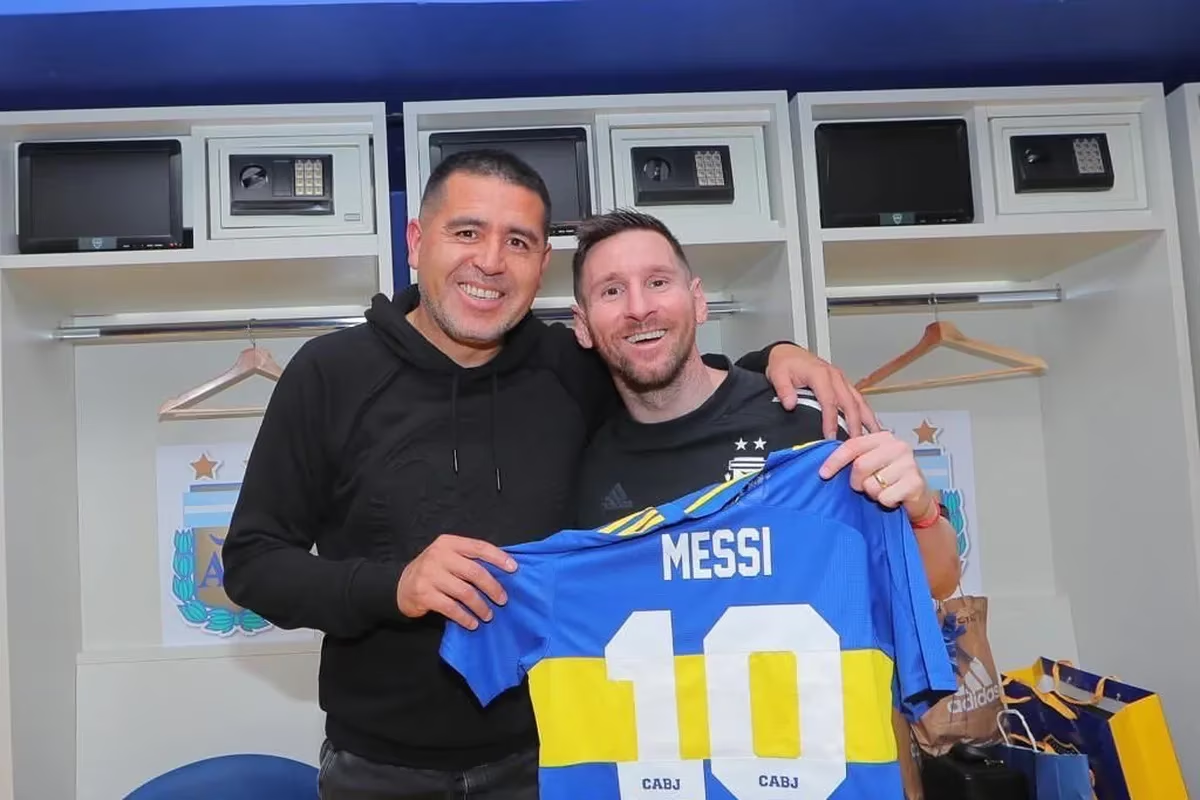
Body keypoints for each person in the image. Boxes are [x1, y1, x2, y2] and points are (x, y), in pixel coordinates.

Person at [220, 148, 880, 798]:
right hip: (378, 771)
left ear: (541, 265)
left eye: (518, 241)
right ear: (417, 241)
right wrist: (396, 586)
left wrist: (777, 356)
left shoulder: (571, 367)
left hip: (559, 756)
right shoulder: (329, 374)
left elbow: (665, 367)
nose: (489, 261)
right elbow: (252, 563)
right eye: (467, 232)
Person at [568, 208, 961, 599]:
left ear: (698, 301)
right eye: (612, 291)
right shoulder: (586, 471)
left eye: (657, 281)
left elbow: (938, 583)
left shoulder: (808, 419)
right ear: (582, 327)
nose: (639, 308)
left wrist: (923, 512)